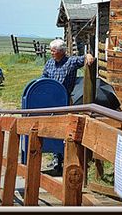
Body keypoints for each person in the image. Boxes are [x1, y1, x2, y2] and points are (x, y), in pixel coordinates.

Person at [41, 38, 94, 173]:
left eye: (54, 51)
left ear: (62, 51)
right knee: (54, 130)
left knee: (66, 131)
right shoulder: (49, 63)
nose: (52, 53)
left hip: (65, 102)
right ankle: (56, 160)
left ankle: (67, 159)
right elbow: (44, 78)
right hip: (51, 102)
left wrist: (88, 56)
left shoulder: (70, 62)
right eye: (51, 51)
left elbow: (83, 58)